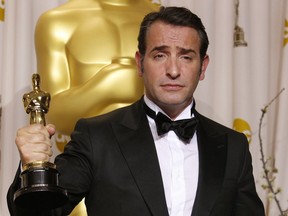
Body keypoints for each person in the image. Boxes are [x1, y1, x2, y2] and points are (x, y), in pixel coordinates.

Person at [7, 6, 265, 216]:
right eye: (160, 55)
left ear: (203, 66)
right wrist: (32, 168)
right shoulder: (96, 136)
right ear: (140, 63)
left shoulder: (234, 146)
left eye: (186, 57)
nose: (173, 70)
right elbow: (40, 213)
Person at [34, 0, 158, 135]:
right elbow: (54, 115)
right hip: (88, 152)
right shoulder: (57, 21)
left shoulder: (163, 18)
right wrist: (109, 83)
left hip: (161, 150)